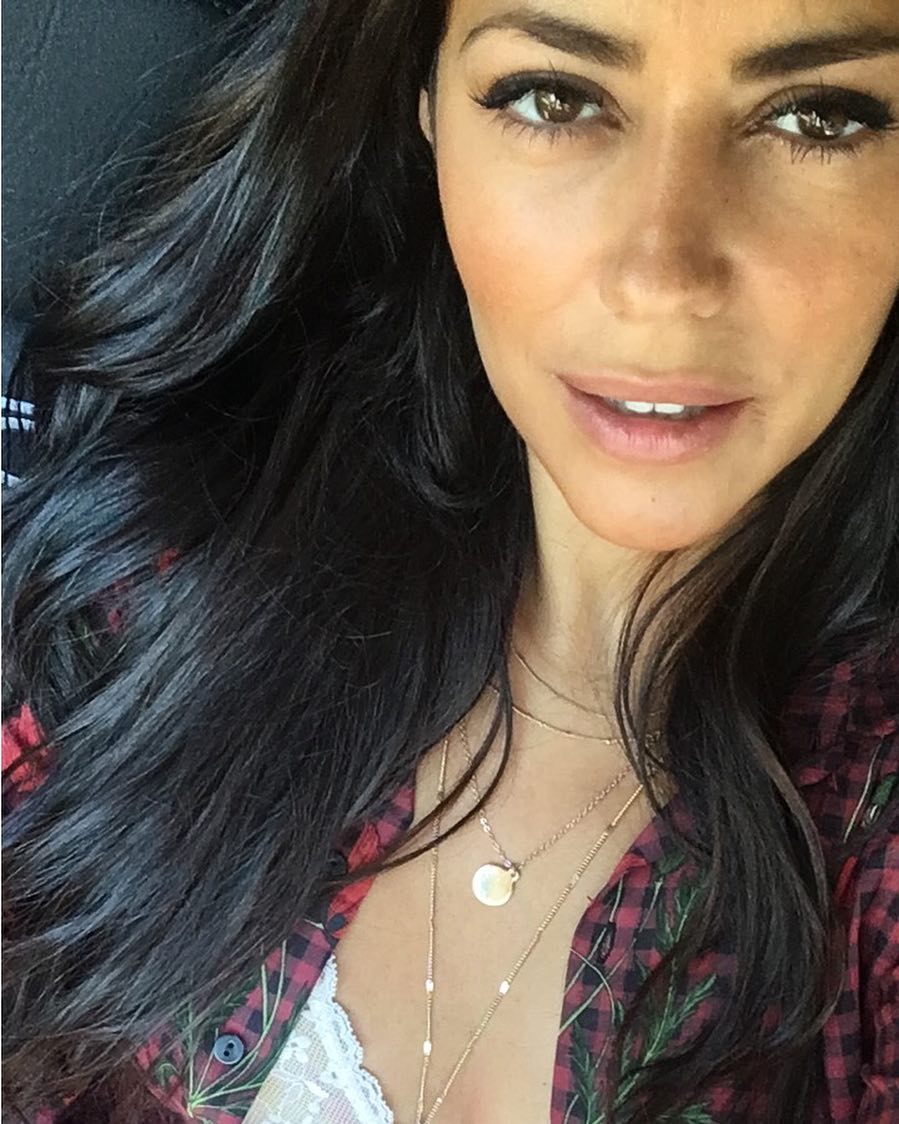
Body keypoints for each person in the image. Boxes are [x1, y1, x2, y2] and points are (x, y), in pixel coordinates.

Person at [3, 1, 898, 1122]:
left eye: (816, 116)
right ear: (424, 107)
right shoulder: (167, 580)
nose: (660, 276)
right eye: (553, 98)